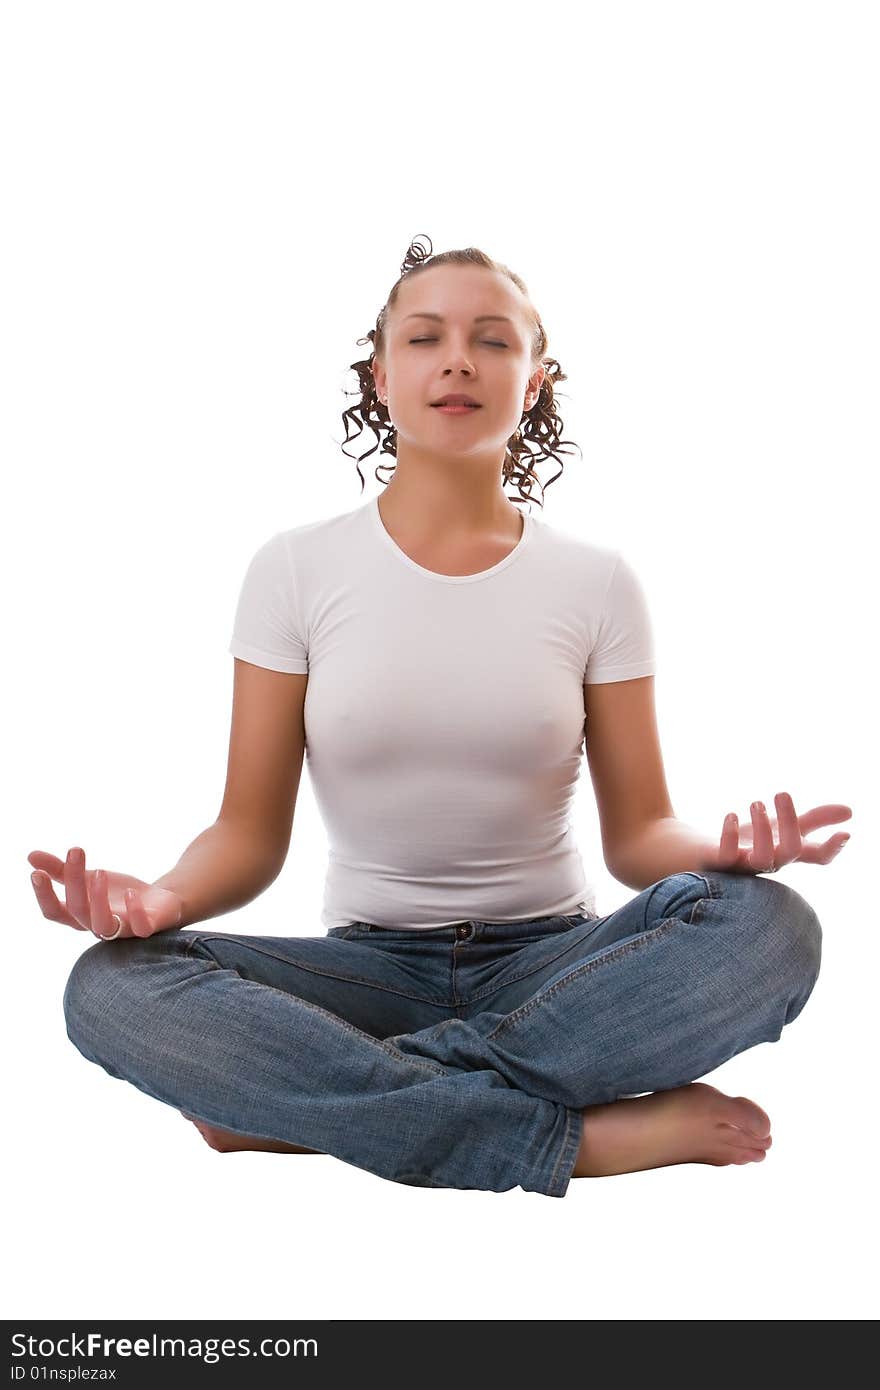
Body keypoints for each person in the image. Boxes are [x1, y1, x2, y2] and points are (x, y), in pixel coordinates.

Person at [30, 237, 851, 1197]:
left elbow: (639, 837)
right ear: (381, 376)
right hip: (365, 973)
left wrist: (724, 852)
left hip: (560, 967)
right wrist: (161, 904)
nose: (457, 359)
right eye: (425, 337)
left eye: (493, 341)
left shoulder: (597, 583)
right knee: (113, 988)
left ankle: (326, 1109)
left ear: (535, 381)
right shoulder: (294, 570)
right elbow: (248, 834)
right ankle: (576, 1140)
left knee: (774, 926)